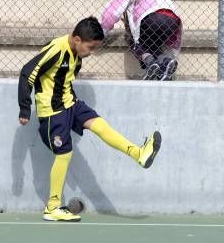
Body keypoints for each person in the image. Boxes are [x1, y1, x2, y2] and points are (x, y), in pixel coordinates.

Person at [18, 17, 162, 222]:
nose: (91, 52)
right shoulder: (56, 50)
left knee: (100, 125)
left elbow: (63, 79)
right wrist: (25, 108)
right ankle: (52, 207)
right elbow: (27, 73)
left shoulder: (76, 53)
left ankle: (139, 153)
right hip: (53, 113)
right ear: (77, 39)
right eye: (90, 47)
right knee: (64, 154)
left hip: (71, 104)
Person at [101, 0, 183, 81]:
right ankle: (165, 62)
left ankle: (149, 62)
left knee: (134, 41)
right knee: (152, 43)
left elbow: (112, 12)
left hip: (151, 19)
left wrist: (102, 31)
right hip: (173, 21)